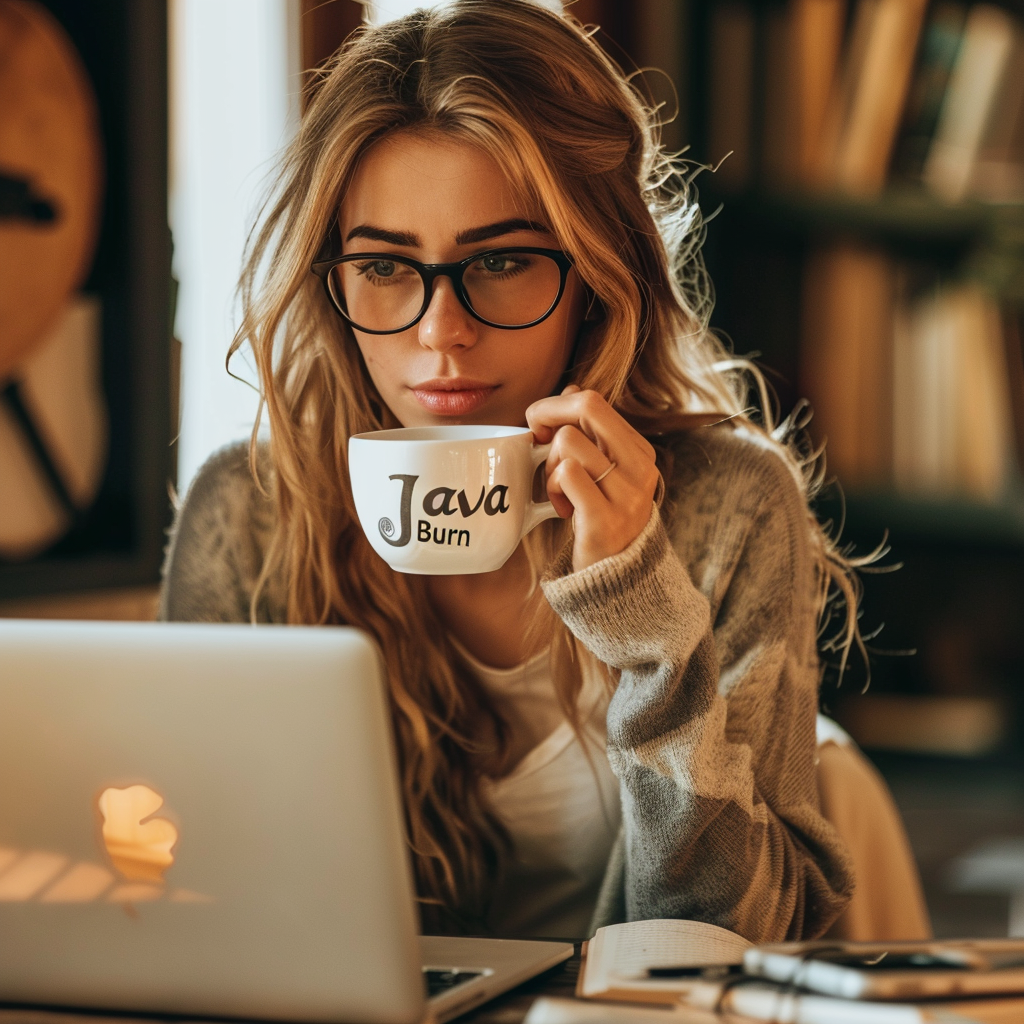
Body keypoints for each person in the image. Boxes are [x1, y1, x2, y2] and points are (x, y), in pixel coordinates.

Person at [159, 0, 858, 941]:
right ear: (333, 284)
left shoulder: (726, 507)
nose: (441, 331)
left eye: (501, 261)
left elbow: (739, 939)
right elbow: (189, 899)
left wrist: (644, 620)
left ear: (597, 277)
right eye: (384, 267)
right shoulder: (247, 515)